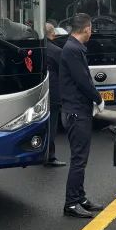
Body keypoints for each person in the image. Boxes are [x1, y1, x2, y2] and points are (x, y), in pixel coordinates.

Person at [60, 14, 104, 219]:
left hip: (77, 110)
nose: (91, 32)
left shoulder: (73, 47)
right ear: (86, 29)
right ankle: (71, 203)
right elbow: (83, 80)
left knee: (81, 158)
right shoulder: (73, 49)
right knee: (78, 160)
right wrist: (98, 98)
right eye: (91, 29)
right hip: (76, 112)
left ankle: (80, 197)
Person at [43, 23, 67, 168]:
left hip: (37, 92)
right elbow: (63, 73)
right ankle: (50, 156)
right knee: (52, 125)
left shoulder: (37, 48)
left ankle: (39, 152)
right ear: (53, 34)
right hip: (53, 92)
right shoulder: (57, 51)